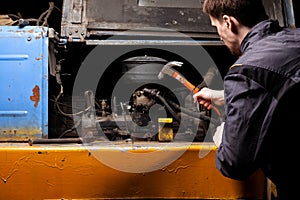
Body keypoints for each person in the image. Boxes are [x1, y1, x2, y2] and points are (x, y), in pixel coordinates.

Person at [193, 0, 300, 199]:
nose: (219, 35)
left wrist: (223, 135)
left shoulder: (245, 71)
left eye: (216, 27)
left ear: (228, 22)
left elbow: (235, 164)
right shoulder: (294, 40)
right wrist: (227, 95)